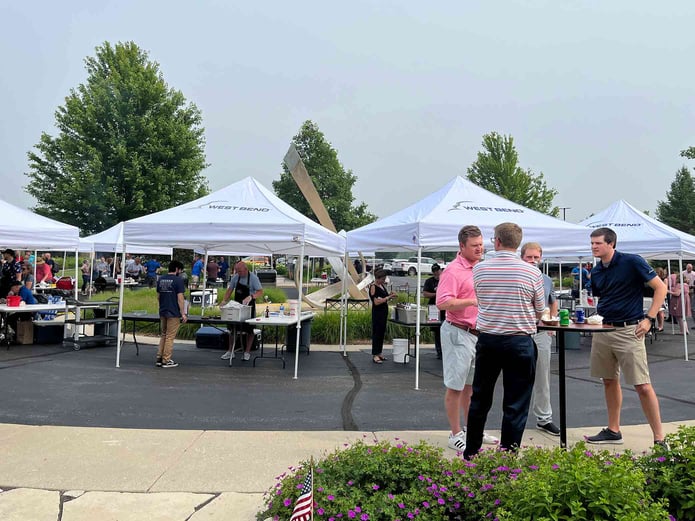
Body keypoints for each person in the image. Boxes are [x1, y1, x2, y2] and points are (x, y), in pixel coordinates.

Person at [463, 223, 545, 459]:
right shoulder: (532, 272)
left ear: (496, 241)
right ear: (518, 244)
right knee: (516, 402)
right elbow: (539, 310)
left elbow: (482, 299)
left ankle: (472, 451)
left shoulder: (480, 269)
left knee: (480, 398)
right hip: (519, 341)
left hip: (488, 340)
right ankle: (508, 456)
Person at [585, 227, 667, 447]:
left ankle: (660, 438)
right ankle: (613, 430)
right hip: (603, 330)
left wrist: (649, 318)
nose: (593, 246)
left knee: (642, 384)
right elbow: (602, 297)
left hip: (629, 330)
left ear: (611, 243)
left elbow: (661, 288)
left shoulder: (632, 262)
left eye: (598, 243)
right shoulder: (597, 271)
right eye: (592, 243)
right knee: (609, 380)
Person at [436, 225, 499, 452]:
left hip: (477, 333)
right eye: (474, 246)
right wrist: (472, 301)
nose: (479, 249)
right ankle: (455, 433)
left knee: (472, 388)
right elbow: (442, 302)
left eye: (481, 244)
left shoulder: (480, 268)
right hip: (458, 332)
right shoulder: (453, 271)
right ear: (462, 246)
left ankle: (474, 430)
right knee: (455, 386)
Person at [521, 242, 560, 436]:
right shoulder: (516, 276)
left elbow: (552, 301)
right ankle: (515, 419)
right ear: (522, 257)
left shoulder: (546, 279)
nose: (533, 261)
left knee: (542, 376)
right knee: (516, 377)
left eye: (536, 257)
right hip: (519, 332)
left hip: (541, 332)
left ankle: (544, 418)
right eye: (529, 257)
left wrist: (552, 321)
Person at [219, 261, 264, 361]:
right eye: (237, 271)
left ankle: (247, 352)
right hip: (237, 306)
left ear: (246, 269)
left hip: (249, 307)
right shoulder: (236, 277)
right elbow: (230, 290)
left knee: (249, 330)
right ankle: (230, 351)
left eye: (240, 271)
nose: (238, 273)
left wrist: (251, 296)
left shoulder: (253, 278)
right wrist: (224, 301)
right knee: (232, 329)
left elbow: (260, 292)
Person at [156, 260, 187, 368]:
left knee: (164, 335)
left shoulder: (161, 279)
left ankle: (159, 358)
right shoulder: (178, 280)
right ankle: (166, 360)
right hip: (173, 312)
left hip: (163, 310)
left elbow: (158, 296)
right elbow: (180, 298)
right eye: (180, 270)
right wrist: (183, 313)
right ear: (177, 269)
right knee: (170, 336)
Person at [369, 269, 397, 364]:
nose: (384, 281)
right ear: (378, 278)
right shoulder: (373, 287)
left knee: (381, 332)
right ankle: (375, 354)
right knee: (377, 332)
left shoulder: (382, 286)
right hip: (377, 313)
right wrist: (387, 298)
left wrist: (390, 295)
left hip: (383, 312)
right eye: (383, 279)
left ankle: (379, 352)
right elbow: (376, 302)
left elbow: (384, 297)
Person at [422, 263, 445, 359]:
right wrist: (436, 294)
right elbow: (425, 294)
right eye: (434, 271)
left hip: (444, 307)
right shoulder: (429, 281)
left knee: (445, 329)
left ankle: (445, 351)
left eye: (437, 271)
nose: (436, 273)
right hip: (433, 307)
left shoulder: (445, 279)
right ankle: (439, 351)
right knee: (436, 330)